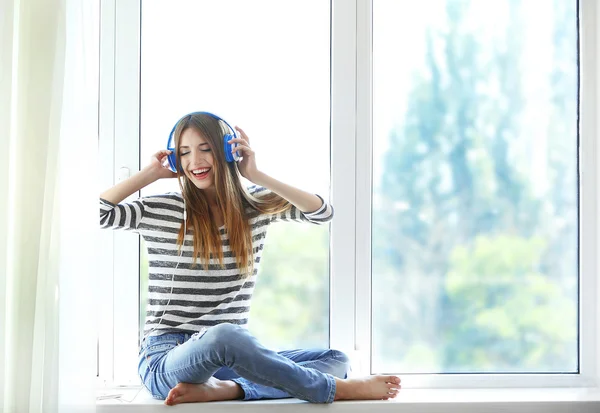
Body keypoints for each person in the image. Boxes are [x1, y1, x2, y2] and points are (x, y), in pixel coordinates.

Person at [99, 112, 401, 405]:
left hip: (229, 361)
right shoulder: (163, 210)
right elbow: (95, 214)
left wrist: (255, 174)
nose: (195, 161)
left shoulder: (254, 206)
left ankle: (227, 390)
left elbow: (322, 212)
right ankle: (335, 390)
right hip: (166, 360)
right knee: (226, 335)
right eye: (185, 152)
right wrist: (150, 173)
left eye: (206, 149)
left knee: (335, 359)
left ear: (228, 153)